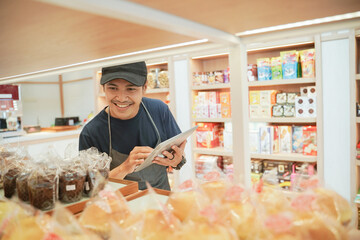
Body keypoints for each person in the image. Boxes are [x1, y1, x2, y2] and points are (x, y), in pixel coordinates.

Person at [79, 61, 187, 191]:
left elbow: (178, 158)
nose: (121, 98)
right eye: (113, 88)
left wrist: (176, 161)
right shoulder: (91, 132)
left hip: (161, 198)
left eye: (131, 89)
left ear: (144, 87)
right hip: (120, 204)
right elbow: (91, 187)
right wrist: (125, 167)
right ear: (103, 88)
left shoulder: (159, 110)